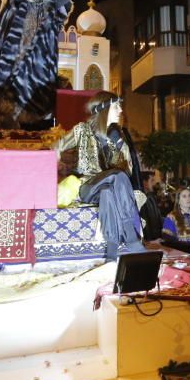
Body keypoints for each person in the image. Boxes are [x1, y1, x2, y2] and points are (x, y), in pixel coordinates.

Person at [55, 92, 145, 261]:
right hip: (86, 186)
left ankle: (111, 249)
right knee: (115, 178)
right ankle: (130, 236)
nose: (120, 110)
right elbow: (57, 147)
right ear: (104, 108)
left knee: (108, 192)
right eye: (116, 106)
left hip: (108, 186)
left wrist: (119, 146)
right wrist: (58, 166)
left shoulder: (117, 136)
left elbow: (129, 171)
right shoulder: (82, 129)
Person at [162, 187, 190, 255]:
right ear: (178, 200)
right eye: (184, 196)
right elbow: (168, 240)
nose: (188, 198)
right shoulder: (171, 217)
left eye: (189, 195)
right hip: (178, 256)